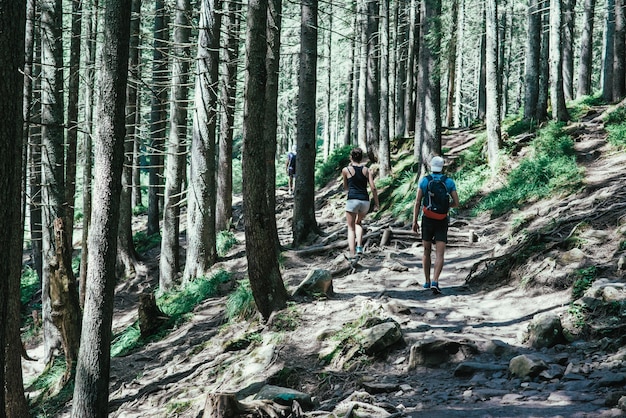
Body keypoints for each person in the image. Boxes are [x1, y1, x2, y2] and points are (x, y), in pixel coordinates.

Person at [411, 156, 459, 293]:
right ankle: (435, 281)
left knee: (426, 251)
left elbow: (417, 202)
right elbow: (456, 202)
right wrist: (446, 207)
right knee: (440, 253)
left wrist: (415, 221)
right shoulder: (449, 182)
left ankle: (426, 281)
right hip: (442, 220)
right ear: (442, 166)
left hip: (427, 219)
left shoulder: (425, 181)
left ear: (431, 166)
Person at [342, 147, 379, 260]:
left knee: (351, 228)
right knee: (359, 222)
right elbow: (373, 188)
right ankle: (359, 247)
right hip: (365, 201)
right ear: (361, 158)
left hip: (352, 200)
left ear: (351, 157)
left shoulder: (346, 170)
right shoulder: (367, 170)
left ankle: (352, 254)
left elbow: (345, 187)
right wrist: (377, 204)